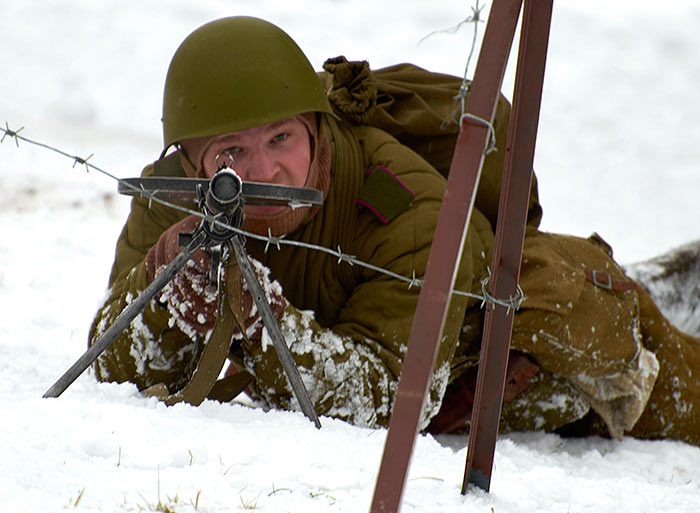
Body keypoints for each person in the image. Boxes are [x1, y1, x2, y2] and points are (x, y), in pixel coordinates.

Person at [89, 16, 700, 445]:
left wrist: (261, 320)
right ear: (192, 161)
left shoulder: (409, 210)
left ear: (315, 128)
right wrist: (161, 295)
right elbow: (114, 368)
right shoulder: (172, 197)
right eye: (232, 152)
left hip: (527, 352)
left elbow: (386, 400)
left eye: (281, 138)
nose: (264, 171)